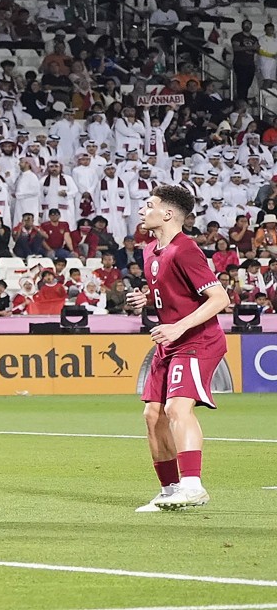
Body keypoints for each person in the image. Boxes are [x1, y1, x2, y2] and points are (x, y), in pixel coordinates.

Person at [127, 186, 229, 511]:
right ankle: (170, 491)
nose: (143, 210)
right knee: (152, 414)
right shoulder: (150, 251)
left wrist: (178, 326)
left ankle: (193, 486)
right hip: (170, 342)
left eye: (149, 205)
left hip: (197, 340)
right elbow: (172, 290)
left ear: (168, 214)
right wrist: (147, 298)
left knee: (176, 409)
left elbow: (220, 298)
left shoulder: (186, 249)